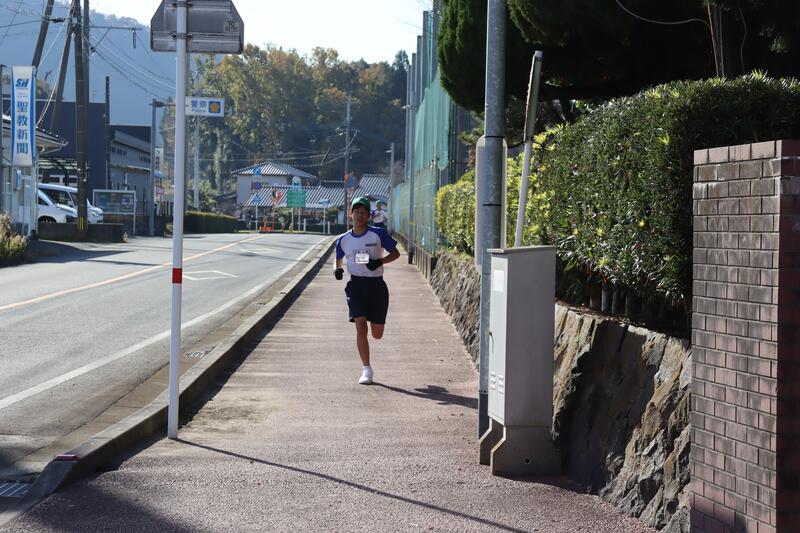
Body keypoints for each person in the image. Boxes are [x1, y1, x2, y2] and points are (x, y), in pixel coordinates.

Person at [334, 196, 400, 384]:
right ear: (351, 214)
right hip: (355, 286)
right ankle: (366, 370)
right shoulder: (343, 239)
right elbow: (338, 258)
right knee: (360, 327)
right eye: (357, 212)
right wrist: (337, 269)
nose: (360, 215)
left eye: (363, 212)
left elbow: (396, 253)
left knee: (377, 334)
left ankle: (375, 325)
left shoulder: (378, 234)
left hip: (376, 286)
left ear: (369, 215)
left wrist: (378, 261)